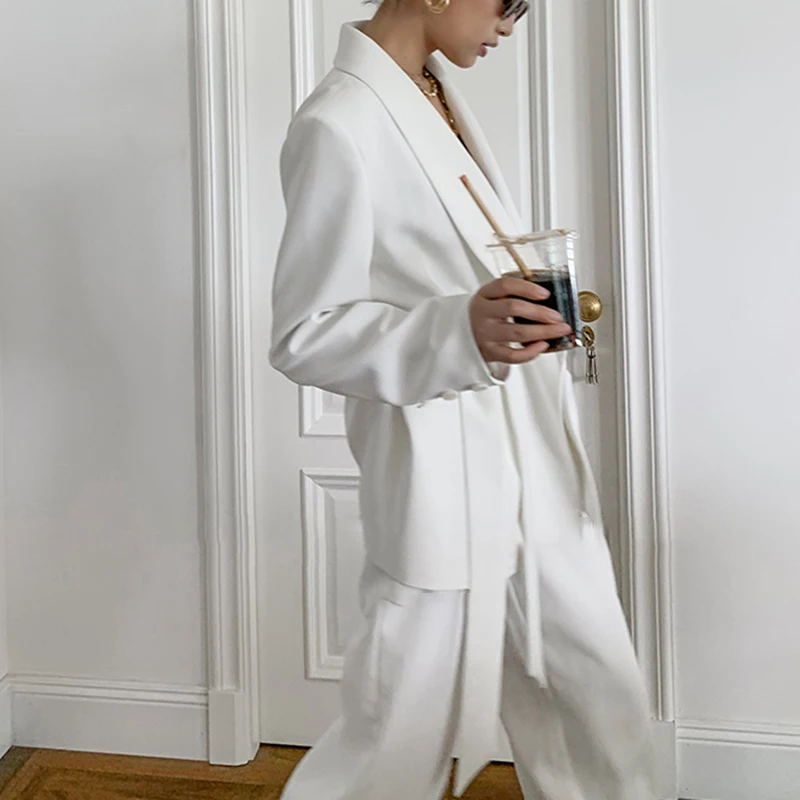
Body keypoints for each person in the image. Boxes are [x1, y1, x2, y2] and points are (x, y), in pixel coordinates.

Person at [269, 1, 655, 798]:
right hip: (439, 464)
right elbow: (306, 333)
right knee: (399, 725)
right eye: (505, 4)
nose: (510, 25)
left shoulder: (434, 94)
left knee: (598, 693)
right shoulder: (338, 122)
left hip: (532, 458)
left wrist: (510, 318)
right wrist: (459, 332)